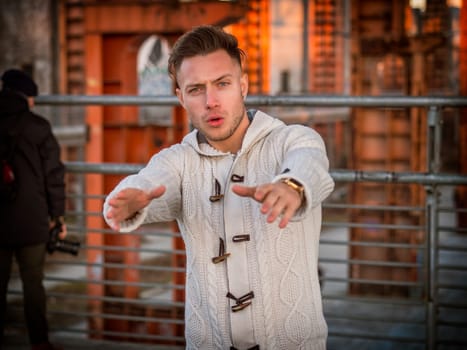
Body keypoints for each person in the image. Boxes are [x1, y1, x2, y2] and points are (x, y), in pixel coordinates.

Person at [103, 25, 334, 350]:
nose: (211, 101)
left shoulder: (291, 139)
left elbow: (309, 162)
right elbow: (154, 180)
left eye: (222, 84)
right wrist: (130, 199)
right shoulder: (179, 160)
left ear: (242, 85)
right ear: (181, 97)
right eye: (196, 89)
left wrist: (292, 186)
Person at [0, 69, 66, 350]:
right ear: (26, 97)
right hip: (32, 219)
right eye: (32, 97)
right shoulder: (38, 127)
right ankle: (39, 343)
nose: (34, 103)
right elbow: (53, 176)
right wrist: (58, 216)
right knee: (33, 285)